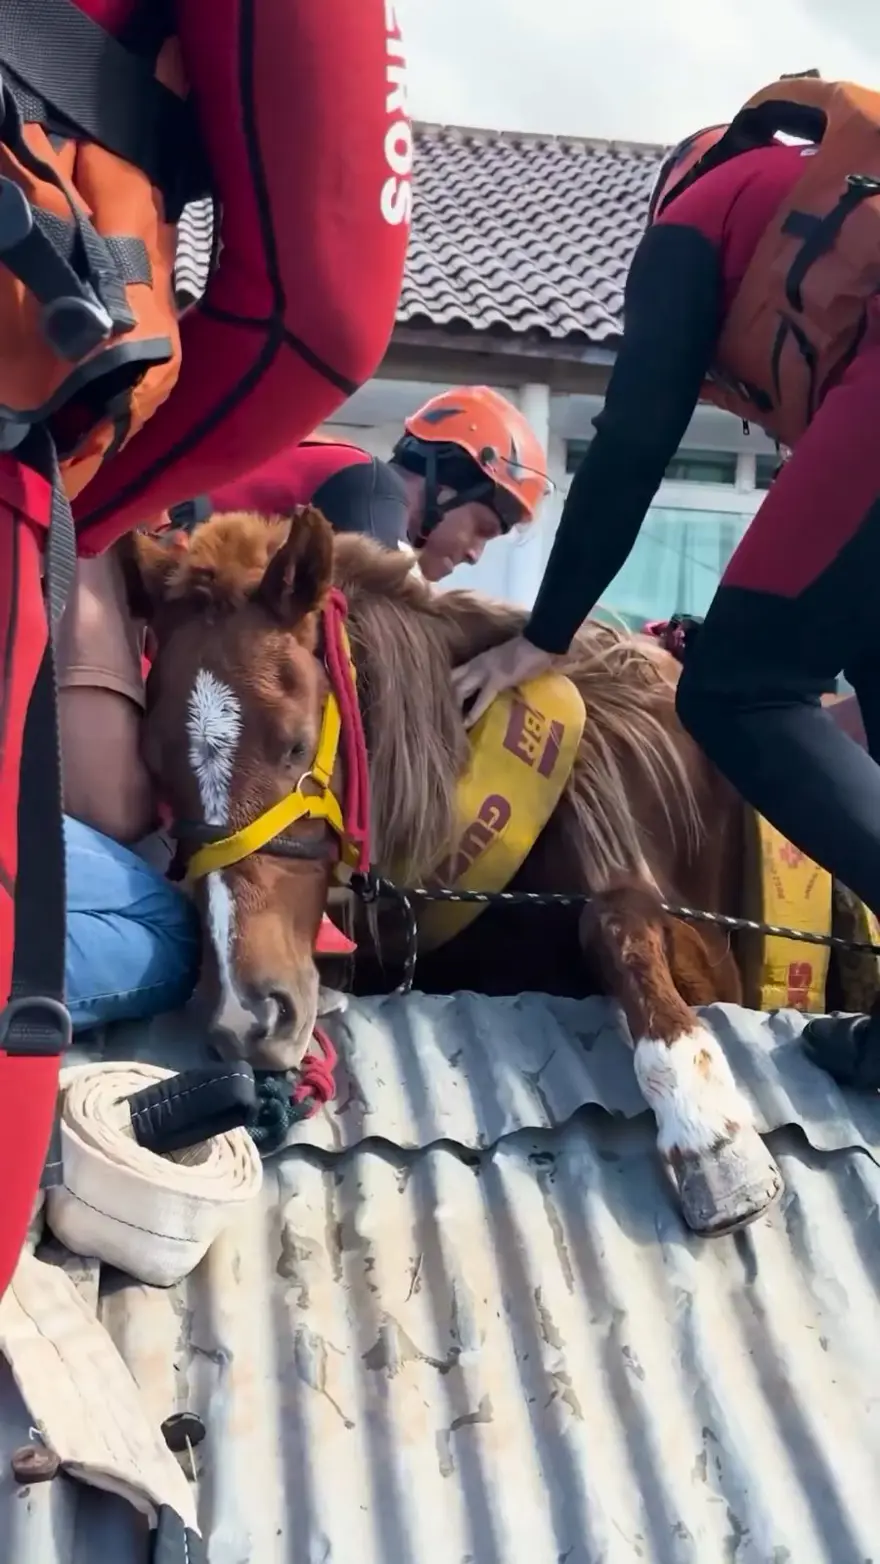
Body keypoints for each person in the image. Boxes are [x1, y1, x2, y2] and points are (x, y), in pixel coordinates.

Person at [450, 75, 880, 1089]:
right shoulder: (822, 227)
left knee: (738, 687)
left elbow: (635, 438)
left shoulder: (693, 218)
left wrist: (541, 634)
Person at [179, 385, 552, 582]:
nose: (475, 554)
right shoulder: (372, 483)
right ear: (446, 488)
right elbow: (397, 624)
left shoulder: (350, 484)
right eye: (482, 530)